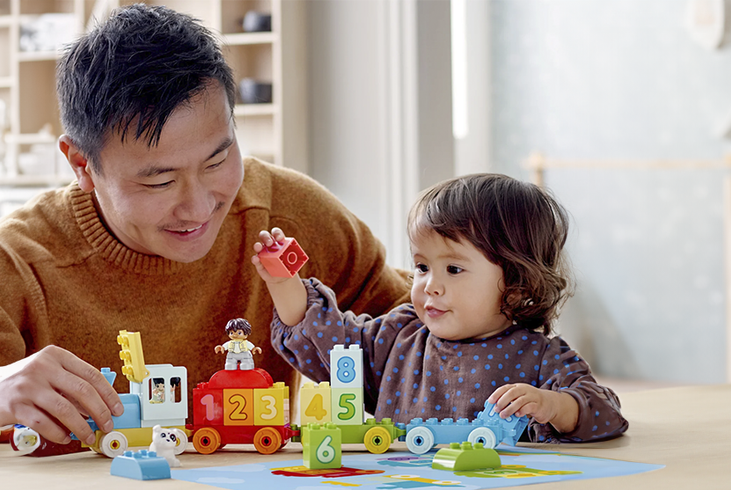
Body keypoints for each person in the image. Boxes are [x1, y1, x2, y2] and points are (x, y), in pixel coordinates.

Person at [0, 4, 409, 451]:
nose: (198, 206)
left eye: (218, 160)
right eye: (159, 181)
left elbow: (420, 335)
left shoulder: (287, 213)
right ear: (81, 164)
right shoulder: (24, 256)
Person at [256, 174, 629, 443]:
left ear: (517, 286)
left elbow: (605, 414)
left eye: (453, 269)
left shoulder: (540, 357)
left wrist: (553, 406)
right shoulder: (398, 337)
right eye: (422, 266)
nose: (429, 284)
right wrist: (283, 282)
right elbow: (326, 341)